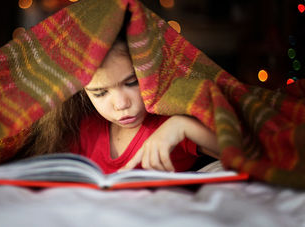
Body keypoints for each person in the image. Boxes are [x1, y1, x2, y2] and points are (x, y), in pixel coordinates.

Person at [17, 33, 220, 174]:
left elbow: (245, 154)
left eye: (132, 83)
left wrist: (183, 126)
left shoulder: (166, 126)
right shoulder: (85, 129)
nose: (121, 104)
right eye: (100, 93)